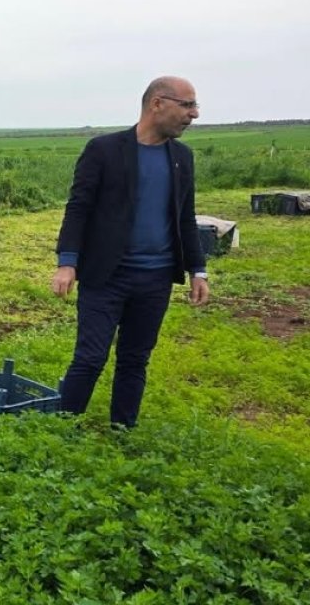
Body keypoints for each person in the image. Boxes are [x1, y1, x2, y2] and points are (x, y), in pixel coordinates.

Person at [51, 76, 210, 428]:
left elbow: (185, 216)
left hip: (156, 278)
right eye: (187, 105)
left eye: (195, 106)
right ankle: (59, 429)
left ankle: (123, 431)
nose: (194, 114)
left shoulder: (181, 157)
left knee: (135, 359)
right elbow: (78, 208)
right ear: (157, 104)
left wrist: (197, 270)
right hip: (106, 274)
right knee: (90, 358)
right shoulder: (104, 150)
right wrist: (67, 263)